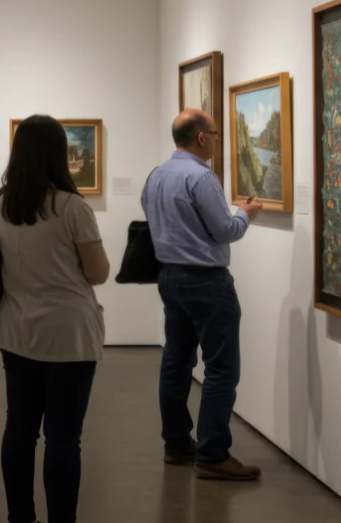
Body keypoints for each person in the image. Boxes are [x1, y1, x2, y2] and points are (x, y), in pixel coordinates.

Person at [0, 115, 111, 523]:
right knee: (63, 438)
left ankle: (19, 516)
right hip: (68, 334)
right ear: (59, 153)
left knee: (19, 432)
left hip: (16, 329)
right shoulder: (71, 206)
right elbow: (98, 273)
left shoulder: (1, 202)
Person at [141, 109, 262, 481]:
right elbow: (226, 230)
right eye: (214, 133)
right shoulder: (201, 177)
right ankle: (212, 454)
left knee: (176, 362)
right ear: (200, 138)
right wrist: (246, 214)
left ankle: (177, 444)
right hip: (207, 283)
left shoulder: (156, 175)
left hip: (170, 279)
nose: (216, 139)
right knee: (222, 368)